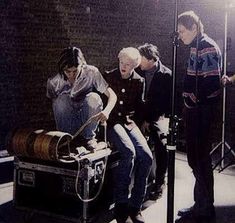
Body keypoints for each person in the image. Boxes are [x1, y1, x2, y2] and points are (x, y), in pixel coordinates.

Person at [175, 11, 222, 222]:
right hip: (195, 110)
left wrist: (193, 99)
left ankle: (206, 208)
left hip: (203, 110)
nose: (180, 35)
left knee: (200, 159)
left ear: (194, 27)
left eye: (182, 31)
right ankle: (200, 204)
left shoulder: (207, 46)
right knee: (195, 158)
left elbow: (212, 82)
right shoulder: (195, 46)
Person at [104, 47, 153, 223]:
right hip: (112, 123)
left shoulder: (139, 81)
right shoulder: (108, 76)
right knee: (128, 152)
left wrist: (140, 128)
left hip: (129, 123)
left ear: (135, 65)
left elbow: (140, 107)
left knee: (146, 157)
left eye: (129, 64)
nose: (124, 67)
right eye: (122, 63)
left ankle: (135, 207)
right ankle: (121, 206)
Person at [46, 46, 117, 150]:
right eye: (67, 71)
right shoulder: (54, 81)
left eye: (75, 71)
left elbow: (112, 95)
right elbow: (52, 106)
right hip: (68, 123)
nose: (72, 75)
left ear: (82, 65)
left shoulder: (92, 72)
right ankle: (66, 139)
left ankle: (89, 138)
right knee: (61, 100)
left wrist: (107, 111)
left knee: (94, 97)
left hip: (87, 121)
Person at [136, 43, 172, 200]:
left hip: (158, 116)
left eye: (141, 59)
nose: (138, 62)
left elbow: (164, 103)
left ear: (151, 59)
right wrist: (141, 119)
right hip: (139, 115)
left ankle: (159, 181)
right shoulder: (137, 71)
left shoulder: (167, 75)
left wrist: (149, 121)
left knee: (161, 142)